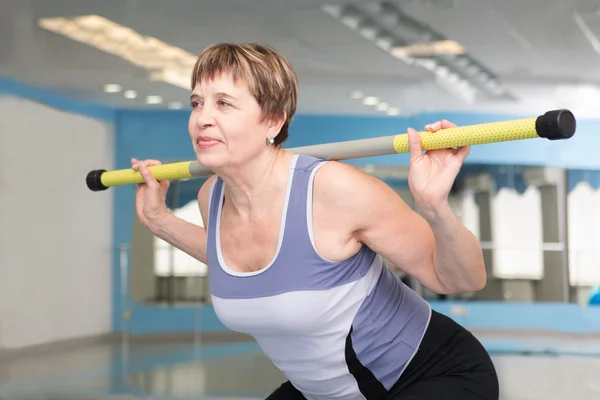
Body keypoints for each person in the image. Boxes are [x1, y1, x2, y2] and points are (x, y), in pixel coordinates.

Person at [132, 42, 499, 400]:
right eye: (197, 103)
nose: (202, 118)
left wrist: (434, 207)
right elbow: (248, 266)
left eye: (224, 103)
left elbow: (461, 279)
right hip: (324, 391)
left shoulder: (333, 189)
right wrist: (158, 219)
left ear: (273, 120)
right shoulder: (211, 196)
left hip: (430, 375)